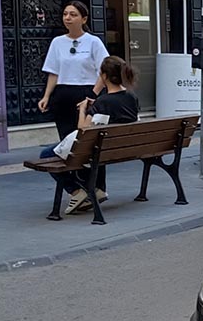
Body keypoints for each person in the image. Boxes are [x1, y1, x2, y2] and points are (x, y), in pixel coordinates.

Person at [39, 56, 140, 215]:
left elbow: (83, 128)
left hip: (96, 148)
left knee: (45, 154)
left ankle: (76, 191)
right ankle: (97, 189)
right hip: (118, 147)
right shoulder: (131, 97)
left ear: (105, 77)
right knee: (95, 146)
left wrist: (83, 109)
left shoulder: (103, 102)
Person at [38, 1, 109, 140]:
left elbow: (105, 71)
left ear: (84, 19)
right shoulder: (57, 42)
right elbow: (53, 72)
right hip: (63, 93)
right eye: (65, 14)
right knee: (66, 137)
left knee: (87, 136)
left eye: (73, 15)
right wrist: (46, 96)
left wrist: (93, 94)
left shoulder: (93, 42)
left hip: (86, 91)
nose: (67, 18)